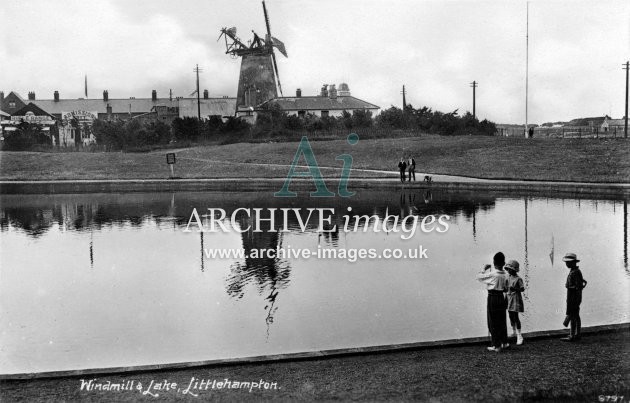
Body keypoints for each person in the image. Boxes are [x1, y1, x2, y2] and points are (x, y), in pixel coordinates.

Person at [476, 252, 509, 352]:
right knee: (502, 320)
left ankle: (496, 345)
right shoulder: (506, 275)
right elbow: (506, 289)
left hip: (493, 298)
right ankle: (504, 342)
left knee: (493, 321)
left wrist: (484, 269)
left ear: (494, 263)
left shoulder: (493, 274)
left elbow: (479, 277)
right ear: (504, 263)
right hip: (502, 297)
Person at [561, 253, 587, 342]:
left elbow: (577, 287)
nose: (566, 264)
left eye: (568, 262)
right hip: (574, 297)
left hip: (573, 297)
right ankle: (577, 334)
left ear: (573, 262)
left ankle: (573, 335)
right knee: (575, 315)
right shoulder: (575, 271)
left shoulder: (575, 272)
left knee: (573, 316)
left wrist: (568, 286)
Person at [505, 259, 525, 345]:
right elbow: (505, 288)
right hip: (509, 298)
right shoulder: (508, 277)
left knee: (515, 317)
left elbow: (522, 289)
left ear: (514, 270)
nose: (508, 270)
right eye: (508, 269)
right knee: (510, 315)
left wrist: (515, 289)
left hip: (516, 299)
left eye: (510, 269)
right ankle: (513, 331)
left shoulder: (518, 279)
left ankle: (519, 335)